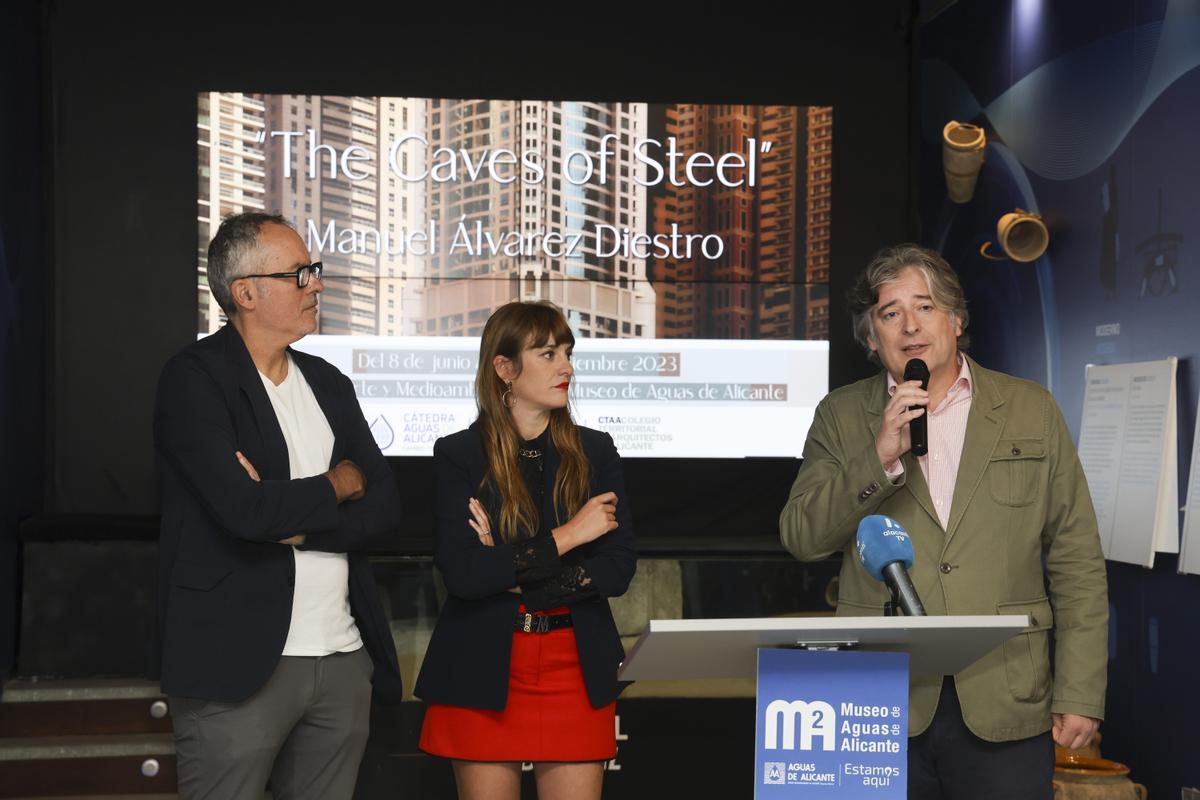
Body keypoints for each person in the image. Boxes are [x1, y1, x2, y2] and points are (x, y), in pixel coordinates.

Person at [778, 244, 1108, 800]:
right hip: (879, 701)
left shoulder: (1032, 409)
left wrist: (1081, 690)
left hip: (1005, 689)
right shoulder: (840, 414)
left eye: (925, 307)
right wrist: (880, 456)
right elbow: (802, 538)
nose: (909, 326)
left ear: (956, 321)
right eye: (890, 313)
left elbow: (1076, 559)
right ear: (870, 337)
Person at [154, 212, 403, 800]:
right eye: (301, 274)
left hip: (342, 656)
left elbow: (386, 505)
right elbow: (245, 511)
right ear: (246, 292)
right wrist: (337, 485)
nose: (316, 284)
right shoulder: (194, 380)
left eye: (313, 272)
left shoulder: (329, 383)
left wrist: (292, 522)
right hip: (235, 664)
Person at [415, 301, 636, 800]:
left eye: (568, 352)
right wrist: (572, 536)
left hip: (575, 668)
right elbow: (466, 575)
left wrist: (511, 568)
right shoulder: (459, 454)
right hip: (483, 665)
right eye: (548, 353)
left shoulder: (597, 450)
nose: (567, 367)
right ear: (505, 368)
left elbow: (618, 569)